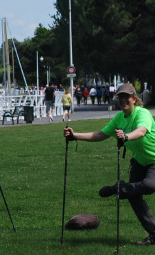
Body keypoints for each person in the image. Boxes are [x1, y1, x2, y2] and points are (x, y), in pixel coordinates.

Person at [63, 83, 155, 246]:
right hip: (140, 162)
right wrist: (75, 136)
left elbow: (141, 131)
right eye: (120, 97)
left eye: (126, 97)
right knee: (134, 196)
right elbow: (100, 134)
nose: (123, 100)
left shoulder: (143, 113)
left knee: (148, 186)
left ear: (134, 98)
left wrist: (126, 137)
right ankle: (154, 233)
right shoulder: (119, 118)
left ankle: (119, 188)